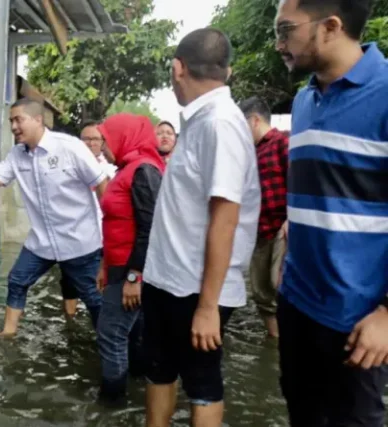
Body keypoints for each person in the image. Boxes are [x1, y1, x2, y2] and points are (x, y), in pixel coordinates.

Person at [274, 0, 388, 424]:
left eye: (285, 30)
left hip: (357, 322)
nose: (279, 44)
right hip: (297, 304)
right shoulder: (304, 101)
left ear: (331, 26)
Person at [141, 28, 260, 427]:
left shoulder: (220, 124)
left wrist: (208, 308)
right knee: (158, 369)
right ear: (227, 71)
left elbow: (225, 218)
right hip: (167, 277)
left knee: (202, 382)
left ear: (178, 68)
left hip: (197, 288)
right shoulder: (198, 120)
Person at [0, 98, 108, 335]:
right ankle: (8, 334)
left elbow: (102, 183)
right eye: (11, 121)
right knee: (17, 280)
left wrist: (109, 230)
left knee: (93, 297)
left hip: (79, 241)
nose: (14, 126)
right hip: (42, 242)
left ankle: (106, 342)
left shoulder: (69, 147)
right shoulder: (17, 155)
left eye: (18, 120)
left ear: (38, 120)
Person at [94, 113, 164, 405]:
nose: (102, 147)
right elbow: (115, 223)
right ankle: (137, 390)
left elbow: (151, 228)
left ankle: (112, 401)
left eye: (105, 140)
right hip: (119, 265)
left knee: (111, 332)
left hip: (132, 269)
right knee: (133, 331)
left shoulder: (143, 170)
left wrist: (135, 277)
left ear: (123, 137)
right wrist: (104, 265)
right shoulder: (127, 169)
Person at [237, 96, 288, 339]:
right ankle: (275, 340)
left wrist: (292, 219)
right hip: (258, 230)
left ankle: (292, 340)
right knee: (260, 291)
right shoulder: (248, 153)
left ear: (255, 120)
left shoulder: (283, 142)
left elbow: (299, 181)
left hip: (282, 226)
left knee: (281, 284)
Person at [56, 121, 118, 319]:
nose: (91, 143)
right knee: (69, 282)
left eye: (95, 139)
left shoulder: (112, 168)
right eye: (86, 139)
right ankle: (70, 321)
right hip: (74, 233)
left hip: (103, 234)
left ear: (103, 142)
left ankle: (101, 322)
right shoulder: (66, 165)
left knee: (100, 283)